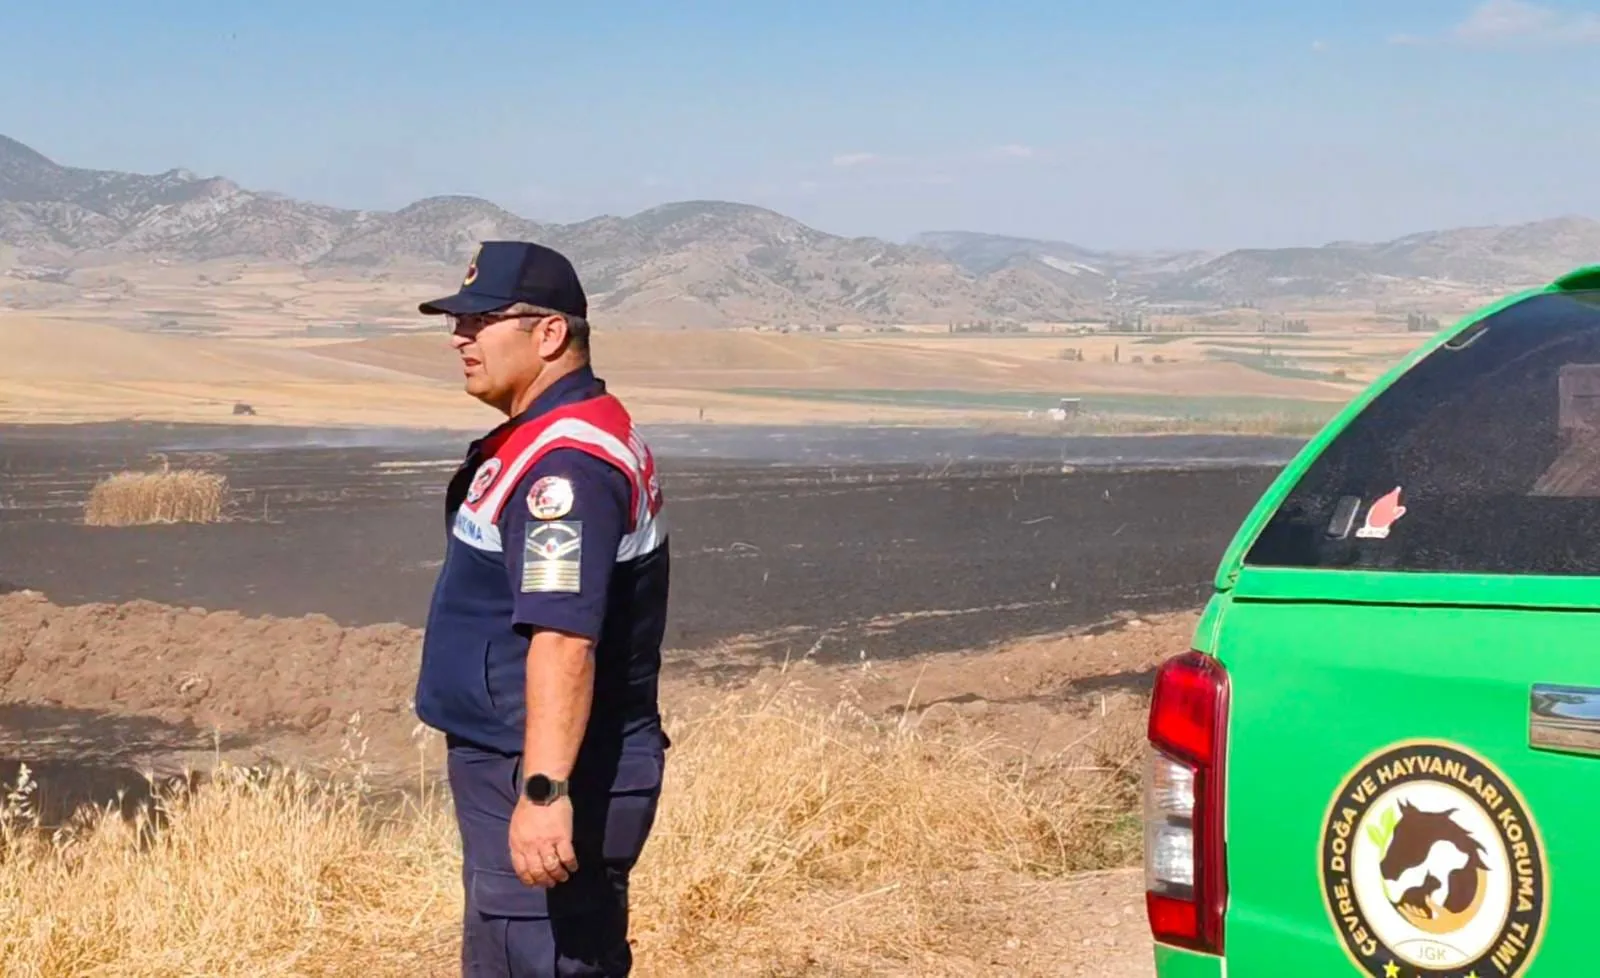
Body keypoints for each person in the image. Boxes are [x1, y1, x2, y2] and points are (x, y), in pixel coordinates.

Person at [413, 240, 670, 977]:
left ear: (549, 333)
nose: (459, 338)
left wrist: (543, 791)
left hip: (548, 768)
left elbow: (563, 641)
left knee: (540, 960)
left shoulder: (565, 468)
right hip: (519, 760)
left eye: (480, 320)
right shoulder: (544, 438)